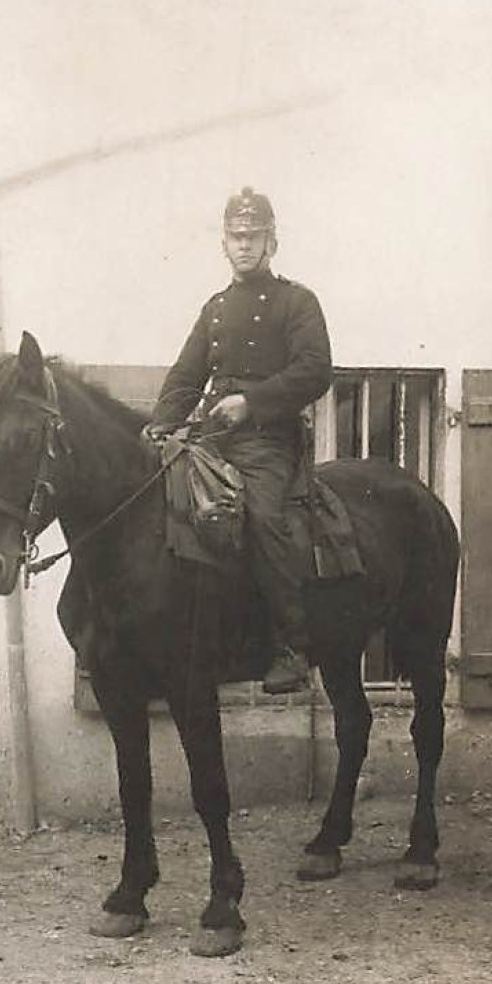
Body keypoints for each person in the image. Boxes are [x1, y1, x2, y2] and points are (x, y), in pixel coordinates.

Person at [146, 186, 333, 693]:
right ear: (223, 243)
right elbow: (187, 376)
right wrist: (162, 423)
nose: (245, 245)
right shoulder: (215, 309)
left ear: (272, 241)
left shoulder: (297, 301)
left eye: (254, 236)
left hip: (269, 442)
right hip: (212, 440)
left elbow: (315, 370)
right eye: (236, 236)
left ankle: (291, 646)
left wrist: (251, 402)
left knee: (265, 518)